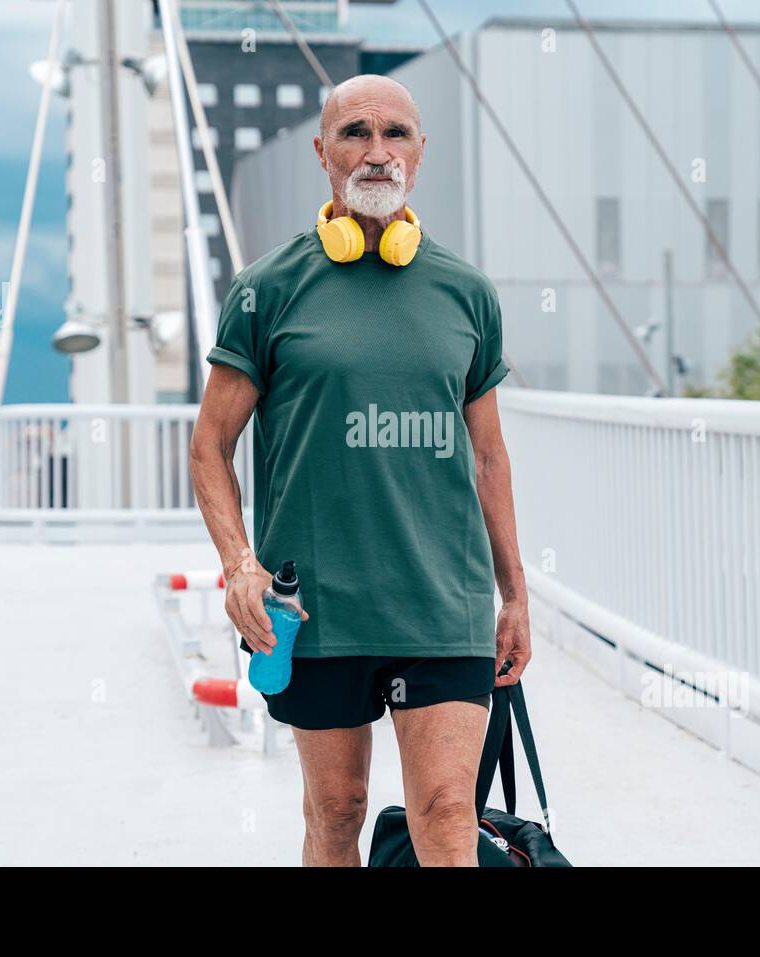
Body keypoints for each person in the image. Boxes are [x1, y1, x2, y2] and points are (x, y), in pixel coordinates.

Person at [190, 73, 530, 867]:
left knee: (448, 811)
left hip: (442, 600)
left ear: (419, 152)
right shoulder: (266, 290)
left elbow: (488, 453)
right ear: (322, 152)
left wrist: (515, 593)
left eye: (395, 133)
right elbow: (210, 444)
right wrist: (239, 565)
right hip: (314, 607)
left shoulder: (467, 292)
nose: (376, 152)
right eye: (355, 133)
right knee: (334, 812)